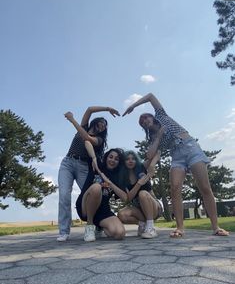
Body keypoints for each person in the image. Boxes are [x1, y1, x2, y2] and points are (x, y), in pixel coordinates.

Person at [123, 92, 229, 238]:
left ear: (152, 117)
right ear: (144, 127)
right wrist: (159, 136)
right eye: (142, 122)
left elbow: (150, 96)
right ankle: (180, 228)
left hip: (190, 147)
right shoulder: (153, 137)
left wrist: (133, 106)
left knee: (204, 187)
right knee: (175, 188)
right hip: (176, 156)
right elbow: (150, 155)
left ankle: (216, 227)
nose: (144, 120)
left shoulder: (162, 115)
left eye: (146, 117)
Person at [57, 106, 120, 242]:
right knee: (64, 195)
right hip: (68, 163)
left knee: (93, 193)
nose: (102, 126)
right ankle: (64, 231)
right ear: (95, 122)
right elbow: (89, 109)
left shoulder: (99, 140)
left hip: (84, 166)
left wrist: (72, 119)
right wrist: (108, 108)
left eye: (104, 126)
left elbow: (86, 138)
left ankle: (97, 223)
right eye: (101, 123)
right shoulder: (84, 126)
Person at [76, 143, 151, 242]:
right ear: (106, 157)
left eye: (116, 159)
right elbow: (87, 142)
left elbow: (126, 198)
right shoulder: (98, 164)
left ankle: (99, 226)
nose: (112, 160)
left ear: (119, 162)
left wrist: (110, 183)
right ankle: (90, 226)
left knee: (119, 233)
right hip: (85, 206)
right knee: (96, 188)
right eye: (111, 157)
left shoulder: (118, 177)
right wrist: (93, 157)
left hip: (102, 211)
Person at [117, 150, 163, 239]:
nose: (130, 161)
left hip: (154, 207)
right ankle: (143, 223)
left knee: (142, 193)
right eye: (127, 159)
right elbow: (128, 198)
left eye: (133, 159)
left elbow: (157, 153)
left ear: (136, 160)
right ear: (124, 162)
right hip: (139, 210)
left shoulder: (142, 166)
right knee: (121, 215)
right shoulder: (123, 178)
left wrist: (152, 166)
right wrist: (139, 184)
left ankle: (150, 228)